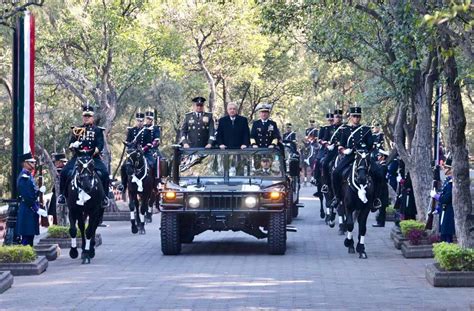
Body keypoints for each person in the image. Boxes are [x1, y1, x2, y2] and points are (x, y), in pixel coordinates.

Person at [58, 104, 109, 207]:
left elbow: (100, 145)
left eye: (88, 116)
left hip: (93, 157)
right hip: (78, 157)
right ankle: (62, 195)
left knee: (104, 173)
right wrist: (73, 145)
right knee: (64, 172)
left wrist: (91, 152)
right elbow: (70, 144)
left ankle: (105, 197)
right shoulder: (77, 130)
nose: (86, 118)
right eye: (85, 116)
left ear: (92, 118)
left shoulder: (98, 130)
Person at [330, 106, 374, 209]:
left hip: (363, 157)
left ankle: (376, 199)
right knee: (336, 172)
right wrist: (345, 150)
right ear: (350, 117)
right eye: (354, 116)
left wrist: (365, 150)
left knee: (379, 173)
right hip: (350, 156)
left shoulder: (366, 129)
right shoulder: (345, 129)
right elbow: (341, 145)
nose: (356, 118)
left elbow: (371, 145)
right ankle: (337, 197)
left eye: (358, 116)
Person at [16, 152, 47, 246]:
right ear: (25, 163)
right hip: (27, 210)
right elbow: (27, 197)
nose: (34, 164)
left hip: (30, 211)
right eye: (32, 162)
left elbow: (32, 193)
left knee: (30, 237)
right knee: (26, 238)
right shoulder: (24, 177)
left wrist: (39, 191)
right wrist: (36, 209)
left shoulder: (29, 176)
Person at [119, 112, 153, 193]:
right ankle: (123, 184)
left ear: (143, 121)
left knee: (153, 164)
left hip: (145, 153)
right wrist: (129, 145)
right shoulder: (131, 130)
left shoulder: (147, 131)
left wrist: (143, 149)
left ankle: (155, 183)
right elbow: (128, 141)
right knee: (123, 166)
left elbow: (149, 143)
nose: (139, 122)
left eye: (141, 121)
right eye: (138, 120)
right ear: (136, 121)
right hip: (133, 153)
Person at [431, 157, 455, 243]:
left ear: (451, 170)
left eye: (445, 167)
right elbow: (443, 194)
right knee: (443, 234)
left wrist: (436, 196)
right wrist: (438, 208)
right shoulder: (447, 181)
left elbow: (446, 199)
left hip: (449, 211)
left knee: (447, 235)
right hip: (444, 211)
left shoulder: (451, 183)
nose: (443, 169)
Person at [48, 152, 68, 225]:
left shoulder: (64, 170)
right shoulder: (57, 170)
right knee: (55, 217)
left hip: (63, 193)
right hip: (56, 194)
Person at [373, 150, 390, 227]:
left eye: (380, 155)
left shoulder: (383, 166)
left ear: (383, 157)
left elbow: (381, 177)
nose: (378, 157)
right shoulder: (380, 165)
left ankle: (381, 222)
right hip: (381, 187)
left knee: (382, 206)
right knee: (381, 206)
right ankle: (380, 221)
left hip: (382, 188)